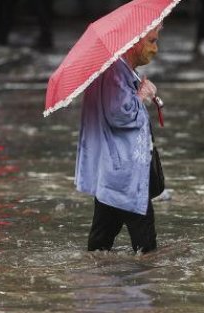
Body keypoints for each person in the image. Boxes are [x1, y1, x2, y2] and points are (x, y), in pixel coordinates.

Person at [75, 26, 163, 254]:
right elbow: (119, 114)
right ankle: (142, 287)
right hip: (127, 177)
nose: (155, 49)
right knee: (146, 251)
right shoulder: (114, 72)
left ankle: (98, 285)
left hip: (113, 177)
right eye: (151, 41)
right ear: (134, 42)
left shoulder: (120, 69)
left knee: (98, 248)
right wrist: (141, 95)